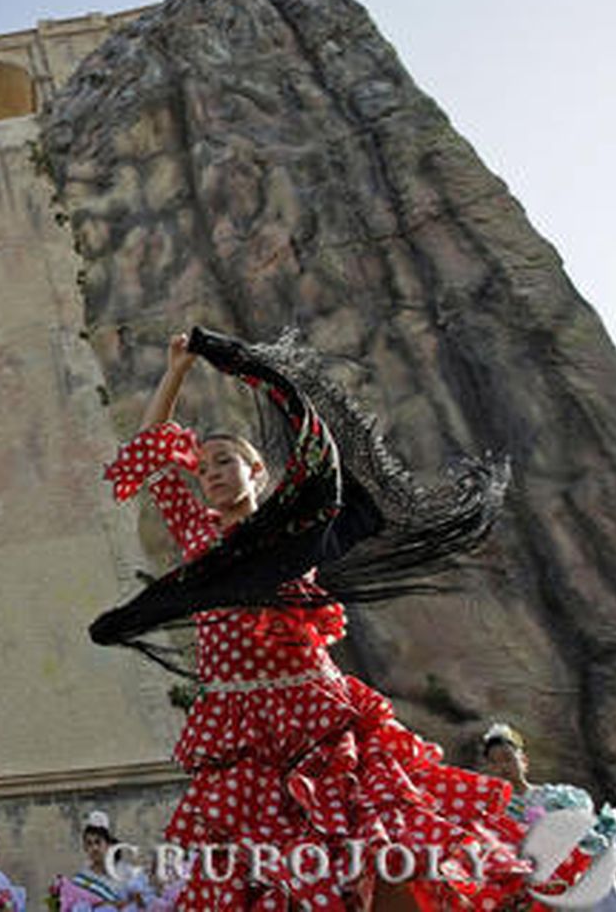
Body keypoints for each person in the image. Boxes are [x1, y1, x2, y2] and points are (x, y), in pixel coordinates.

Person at [99, 329, 531, 911]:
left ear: (257, 471)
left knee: (380, 856)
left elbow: (324, 462)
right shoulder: (201, 537)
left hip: (316, 718)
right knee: (265, 875)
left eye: (225, 462)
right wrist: (177, 369)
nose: (212, 474)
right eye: (203, 471)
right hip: (240, 730)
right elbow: (152, 449)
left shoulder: (296, 530)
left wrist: (243, 363)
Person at [480, 721, 616, 909]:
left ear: (523, 761)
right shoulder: (497, 812)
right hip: (550, 881)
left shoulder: (558, 795)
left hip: (582, 867)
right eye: (494, 763)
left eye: (507, 758)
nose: (503, 767)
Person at [50, 813, 151, 911]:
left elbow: (145, 903)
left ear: (108, 845)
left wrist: (136, 899)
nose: (94, 848)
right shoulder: (82, 879)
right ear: (85, 848)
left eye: (98, 842)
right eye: (89, 844)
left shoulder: (127, 872)